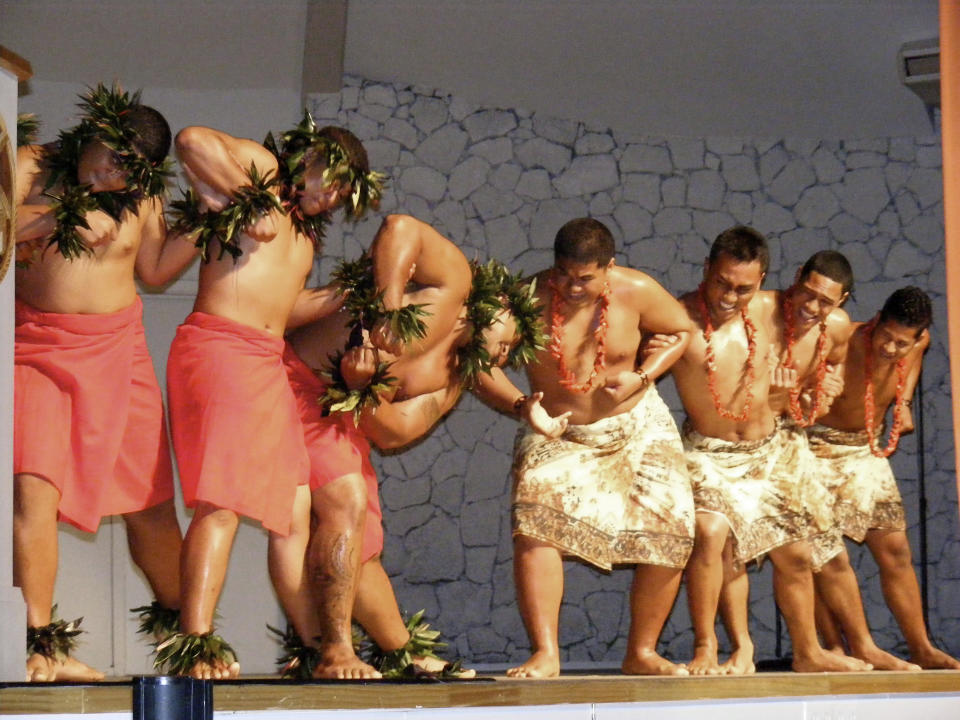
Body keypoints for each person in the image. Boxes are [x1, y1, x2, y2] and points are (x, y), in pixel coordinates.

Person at [277, 214, 548, 678]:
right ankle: (335, 650)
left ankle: (398, 652)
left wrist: (362, 388)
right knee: (348, 500)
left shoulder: (451, 380)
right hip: (289, 381)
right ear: (500, 307)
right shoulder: (451, 285)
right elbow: (399, 227)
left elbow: (394, 432)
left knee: (365, 539)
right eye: (511, 342)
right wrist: (387, 306)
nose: (505, 357)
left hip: (340, 412)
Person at [162, 114, 381, 679]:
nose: (330, 199)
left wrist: (340, 294)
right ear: (306, 159)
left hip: (263, 361)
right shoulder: (261, 171)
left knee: (295, 509)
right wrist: (248, 198)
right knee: (222, 504)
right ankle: (195, 646)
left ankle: (320, 649)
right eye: (328, 182)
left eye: (341, 194)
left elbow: (279, 312)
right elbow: (191, 139)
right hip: (219, 350)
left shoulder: (304, 235)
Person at [14, 85, 196, 681]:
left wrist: (207, 220)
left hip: (120, 351)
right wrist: (63, 211)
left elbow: (154, 268)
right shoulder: (30, 165)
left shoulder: (139, 194)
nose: (117, 179)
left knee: (151, 509)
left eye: (132, 173)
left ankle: (190, 638)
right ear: (98, 130)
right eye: (113, 163)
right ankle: (37, 642)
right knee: (32, 490)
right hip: (36, 349)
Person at [473, 217, 695, 678]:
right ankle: (546, 654)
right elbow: (474, 360)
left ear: (608, 269)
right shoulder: (524, 299)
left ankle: (643, 652)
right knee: (534, 522)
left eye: (586, 278)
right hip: (557, 429)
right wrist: (521, 405)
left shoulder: (636, 290)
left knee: (673, 527)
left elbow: (682, 331)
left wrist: (645, 374)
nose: (572, 288)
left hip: (635, 422)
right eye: (564, 275)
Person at [666, 226, 869, 675]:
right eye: (722, 282)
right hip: (709, 450)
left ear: (763, 281)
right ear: (707, 270)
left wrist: (823, 384)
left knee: (796, 554)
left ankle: (809, 652)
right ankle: (711, 647)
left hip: (768, 449)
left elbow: (830, 351)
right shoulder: (680, 316)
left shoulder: (782, 312)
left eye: (743, 288)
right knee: (711, 534)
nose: (729, 296)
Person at [806, 287, 960, 670]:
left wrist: (903, 403)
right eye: (887, 337)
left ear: (918, 336)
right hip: (816, 448)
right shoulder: (848, 341)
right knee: (823, 555)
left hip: (865, 449)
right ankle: (840, 647)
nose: (891, 349)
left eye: (901, 343)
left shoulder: (918, 343)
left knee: (895, 552)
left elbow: (912, 362)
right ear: (876, 321)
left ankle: (921, 646)